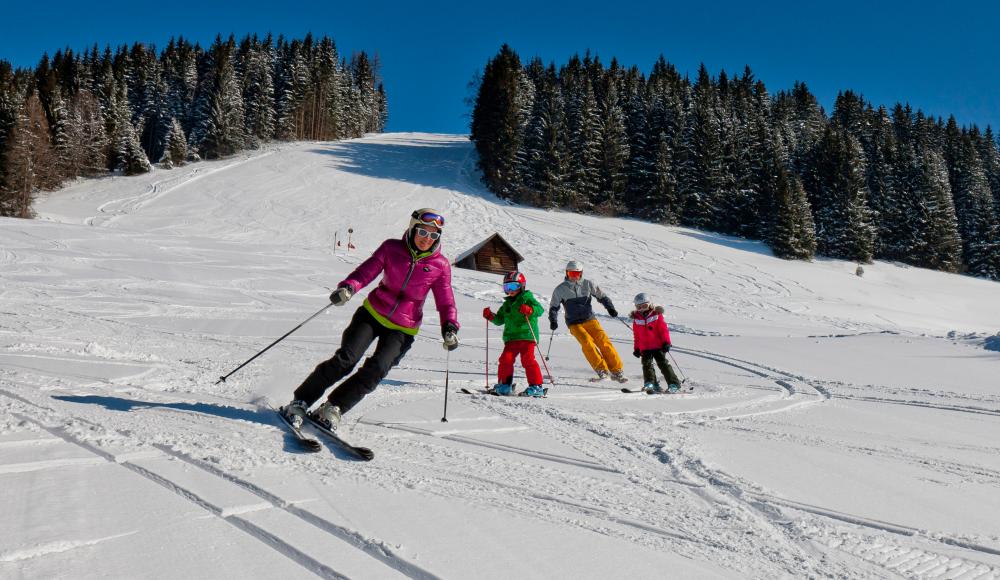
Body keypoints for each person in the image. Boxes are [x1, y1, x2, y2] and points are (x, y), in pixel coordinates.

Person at [282, 208, 460, 429]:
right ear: (413, 228)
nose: (427, 239)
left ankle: (333, 407)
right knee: (346, 359)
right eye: (423, 232)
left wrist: (449, 325)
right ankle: (301, 401)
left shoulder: (440, 265)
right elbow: (367, 271)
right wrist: (349, 287)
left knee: (377, 369)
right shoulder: (391, 248)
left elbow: (445, 300)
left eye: (434, 235)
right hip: (373, 313)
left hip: (404, 328)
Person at [548, 260, 627, 383]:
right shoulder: (560, 289)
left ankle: (617, 371)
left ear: (581, 273)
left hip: (590, 319)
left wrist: (610, 308)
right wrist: (553, 320)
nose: (574, 276)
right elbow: (554, 306)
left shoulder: (588, 284)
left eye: (577, 274)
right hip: (574, 322)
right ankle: (602, 370)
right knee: (587, 343)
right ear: (567, 273)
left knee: (603, 342)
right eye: (571, 273)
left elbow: (602, 296)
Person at [483, 271, 546, 397]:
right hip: (511, 338)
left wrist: (530, 310)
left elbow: (540, 310)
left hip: (527, 335)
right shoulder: (507, 304)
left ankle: (536, 386)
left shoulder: (527, 298)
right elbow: (499, 320)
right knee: (505, 359)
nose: (509, 291)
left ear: (522, 286)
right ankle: (505, 385)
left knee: (527, 359)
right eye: (506, 287)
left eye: (513, 287)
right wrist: (490, 316)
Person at [629, 293, 681, 394]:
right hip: (645, 347)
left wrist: (666, 342)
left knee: (663, 364)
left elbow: (663, 330)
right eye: (639, 307)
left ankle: (674, 384)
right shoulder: (636, 319)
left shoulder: (656, 315)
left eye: (644, 306)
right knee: (647, 365)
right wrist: (637, 348)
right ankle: (650, 383)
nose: (642, 309)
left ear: (650, 304)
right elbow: (636, 336)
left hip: (658, 346)